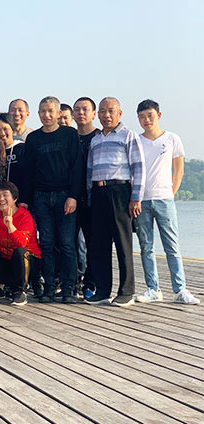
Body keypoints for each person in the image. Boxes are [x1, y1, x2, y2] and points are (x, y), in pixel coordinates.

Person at [134, 99, 199, 305]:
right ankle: (153, 289)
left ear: (159, 116)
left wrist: (171, 193)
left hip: (165, 200)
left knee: (172, 246)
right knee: (146, 246)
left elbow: (179, 170)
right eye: (142, 117)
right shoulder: (136, 141)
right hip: (142, 201)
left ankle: (180, 290)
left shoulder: (172, 139)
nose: (146, 120)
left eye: (150, 116)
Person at [86, 97, 145, 307]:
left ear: (119, 113)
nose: (106, 115)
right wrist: (90, 195)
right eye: (102, 111)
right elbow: (90, 170)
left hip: (120, 191)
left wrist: (136, 197)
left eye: (111, 111)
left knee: (122, 242)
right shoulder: (95, 140)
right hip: (98, 192)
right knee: (99, 244)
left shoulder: (128, 136)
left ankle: (126, 292)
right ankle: (102, 291)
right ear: (98, 115)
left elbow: (139, 168)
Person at [25, 96, 82, 303]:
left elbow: (77, 167)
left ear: (58, 113)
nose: (46, 115)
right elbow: (28, 172)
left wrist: (73, 196)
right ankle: (49, 288)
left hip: (65, 196)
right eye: (43, 111)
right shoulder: (33, 139)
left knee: (67, 243)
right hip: (40, 197)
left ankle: (69, 289)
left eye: (50, 111)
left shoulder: (69, 134)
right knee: (47, 243)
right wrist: (26, 200)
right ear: (38, 114)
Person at [0, 182, 42, 306]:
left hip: (29, 262)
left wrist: (10, 226)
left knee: (19, 252)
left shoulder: (25, 216)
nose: (1, 199)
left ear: (14, 199)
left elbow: (22, 243)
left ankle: (21, 291)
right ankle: (14, 285)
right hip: (10, 261)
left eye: (5, 195)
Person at [72, 97, 100, 299]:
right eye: (77, 109)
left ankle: (90, 284)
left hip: (93, 198)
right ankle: (72, 282)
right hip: (72, 197)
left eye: (85, 109)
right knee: (69, 242)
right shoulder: (70, 137)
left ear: (93, 113)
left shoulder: (99, 137)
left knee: (93, 243)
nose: (81, 113)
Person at [0, 113, 31, 207]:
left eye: (5, 129)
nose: (2, 133)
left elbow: (28, 177)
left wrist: (25, 200)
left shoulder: (23, 148)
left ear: (12, 130)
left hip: (20, 202)